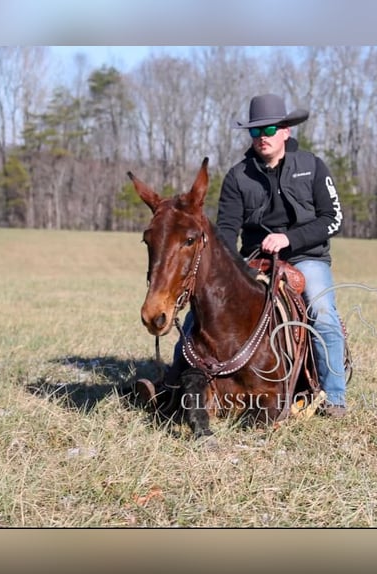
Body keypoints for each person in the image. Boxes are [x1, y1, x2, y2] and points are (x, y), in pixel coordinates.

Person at [136, 93, 348, 418]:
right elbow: (227, 230)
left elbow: (332, 218)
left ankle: (334, 397)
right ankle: (173, 385)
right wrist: (223, 272)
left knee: (321, 309)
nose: (262, 137)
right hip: (253, 257)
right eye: (255, 131)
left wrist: (289, 238)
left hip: (307, 256)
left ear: (285, 131)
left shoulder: (311, 167)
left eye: (270, 129)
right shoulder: (239, 176)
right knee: (200, 313)